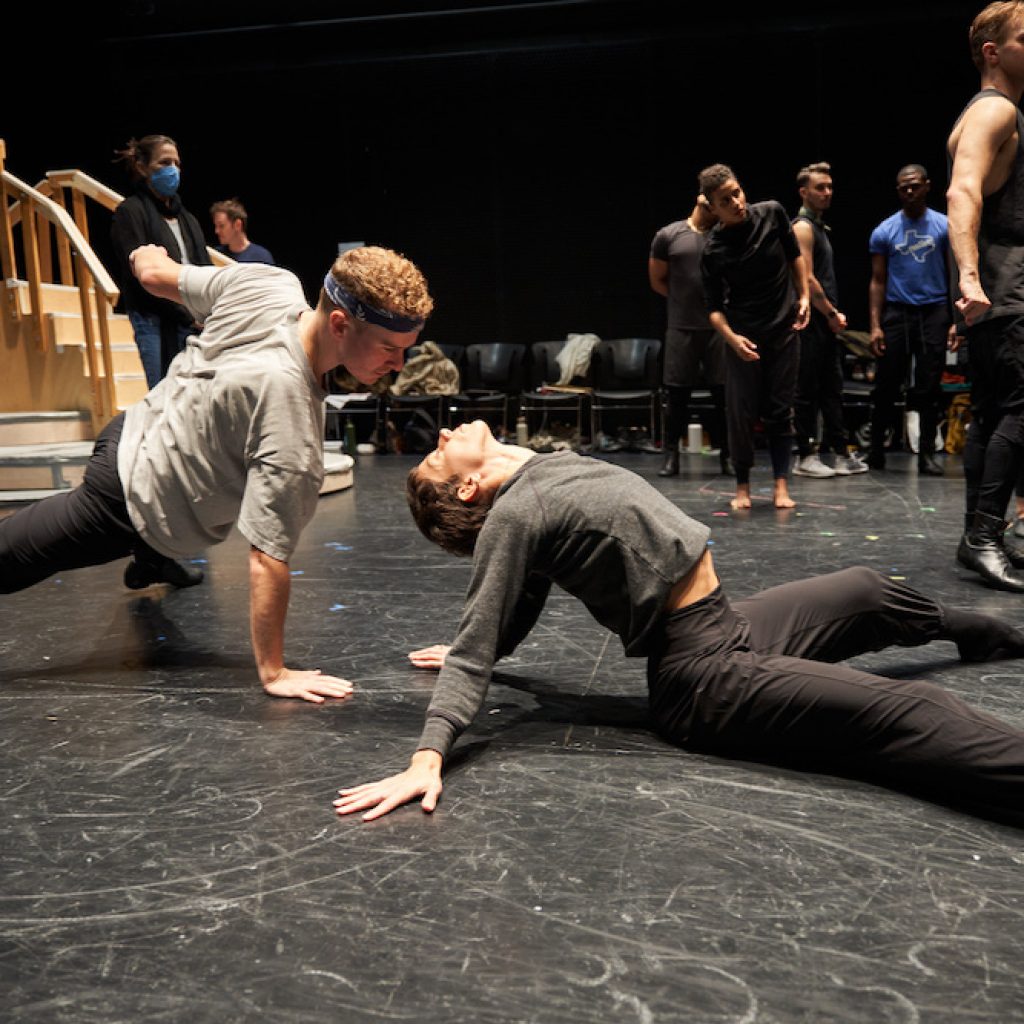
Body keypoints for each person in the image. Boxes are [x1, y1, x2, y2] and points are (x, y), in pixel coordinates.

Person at [334, 420, 1024, 827]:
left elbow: (519, 604)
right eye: (437, 452)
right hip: (705, 679)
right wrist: (429, 753)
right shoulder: (514, 517)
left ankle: (995, 633)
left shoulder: (541, 470)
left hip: (725, 625)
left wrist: (479, 650)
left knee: (867, 590)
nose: (444, 433)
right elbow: (483, 632)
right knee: (910, 709)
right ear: (465, 487)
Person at [0, 245, 433, 702]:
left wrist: (144, 253)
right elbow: (267, 557)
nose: (399, 365)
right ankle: (152, 550)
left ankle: (153, 559)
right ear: (340, 324)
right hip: (129, 492)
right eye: (389, 348)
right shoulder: (290, 426)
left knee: (168, 534)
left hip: (135, 425)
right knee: (12, 560)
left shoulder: (266, 283)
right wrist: (274, 671)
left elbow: (154, 274)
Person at [947, 1, 1024, 593]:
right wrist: (970, 279)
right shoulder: (994, 109)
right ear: (993, 52)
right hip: (1003, 280)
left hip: (997, 279)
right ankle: (985, 536)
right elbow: (963, 192)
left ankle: (976, 534)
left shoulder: (999, 111)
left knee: (993, 413)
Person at [698, 164, 810, 509]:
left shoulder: (773, 214)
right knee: (741, 413)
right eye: (725, 200)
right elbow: (713, 308)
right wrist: (732, 339)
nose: (736, 202)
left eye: (737, 192)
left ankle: (780, 486)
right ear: (712, 207)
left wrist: (804, 296)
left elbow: (796, 258)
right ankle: (743, 487)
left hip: (783, 330)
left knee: (781, 410)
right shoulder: (713, 250)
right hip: (743, 337)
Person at [866, 164, 956, 476]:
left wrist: (956, 319)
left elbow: (954, 275)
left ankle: (927, 453)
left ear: (927, 186)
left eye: (915, 186)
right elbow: (877, 281)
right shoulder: (885, 230)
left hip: (933, 311)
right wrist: (875, 324)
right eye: (903, 187)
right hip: (897, 312)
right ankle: (876, 450)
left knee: (930, 387)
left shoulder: (944, 226)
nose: (909, 191)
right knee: (887, 385)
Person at [110, 135, 212, 388]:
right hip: (154, 318)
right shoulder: (130, 211)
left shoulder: (188, 219)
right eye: (164, 163)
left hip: (193, 319)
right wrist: (187, 315)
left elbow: (204, 268)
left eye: (176, 163)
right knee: (161, 394)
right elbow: (139, 275)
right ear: (142, 167)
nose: (173, 170)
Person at [790, 162, 868, 479]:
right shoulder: (802, 228)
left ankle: (837, 452)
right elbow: (806, 279)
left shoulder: (819, 228)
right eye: (820, 187)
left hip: (824, 323)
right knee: (806, 389)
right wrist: (832, 313)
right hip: (810, 320)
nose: (827, 193)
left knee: (831, 388)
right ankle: (805, 455)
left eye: (830, 187)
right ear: (804, 192)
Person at [648, 191, 730, 477]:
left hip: (717, 328)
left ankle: (728, 456)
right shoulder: (669, 235)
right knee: (677, 394)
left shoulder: (724, 235)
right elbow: (657, 279)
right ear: (700, 200)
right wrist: (682, 300)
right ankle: (671, 456)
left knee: (723, 394)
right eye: (715, 206)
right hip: (681, 327)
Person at [211, 198, 276, 265]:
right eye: (216, 226)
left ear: (238, 225)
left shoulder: (262, 257)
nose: (216, 231)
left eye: (221, 226)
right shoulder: (216, 255)